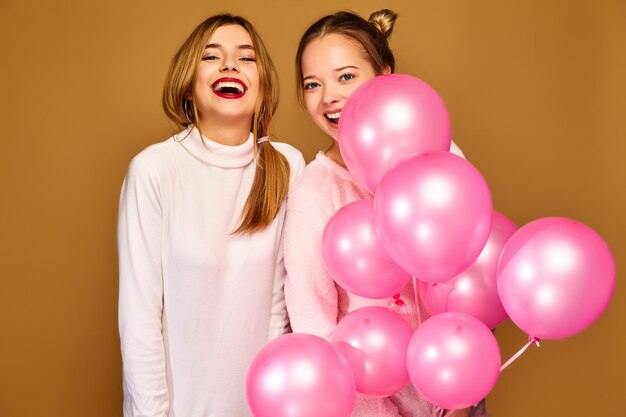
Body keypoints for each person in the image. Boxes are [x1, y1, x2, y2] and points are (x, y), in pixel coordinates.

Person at [284, 10, 483, 417]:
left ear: (385, 76)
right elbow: (314, 322)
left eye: (346, 76)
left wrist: (458, 400)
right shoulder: (316, 189)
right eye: (312, 84)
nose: (329, 97)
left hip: (456, 393)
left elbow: (471, 279)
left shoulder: (441, 158)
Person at [117, 14, 304, 417]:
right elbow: (140, 319)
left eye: (246, 57)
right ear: (188, 82)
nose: (230, 65)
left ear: (264, 84)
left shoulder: (287, 166)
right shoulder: (154, 170)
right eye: (212, 56)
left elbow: (279, 305)